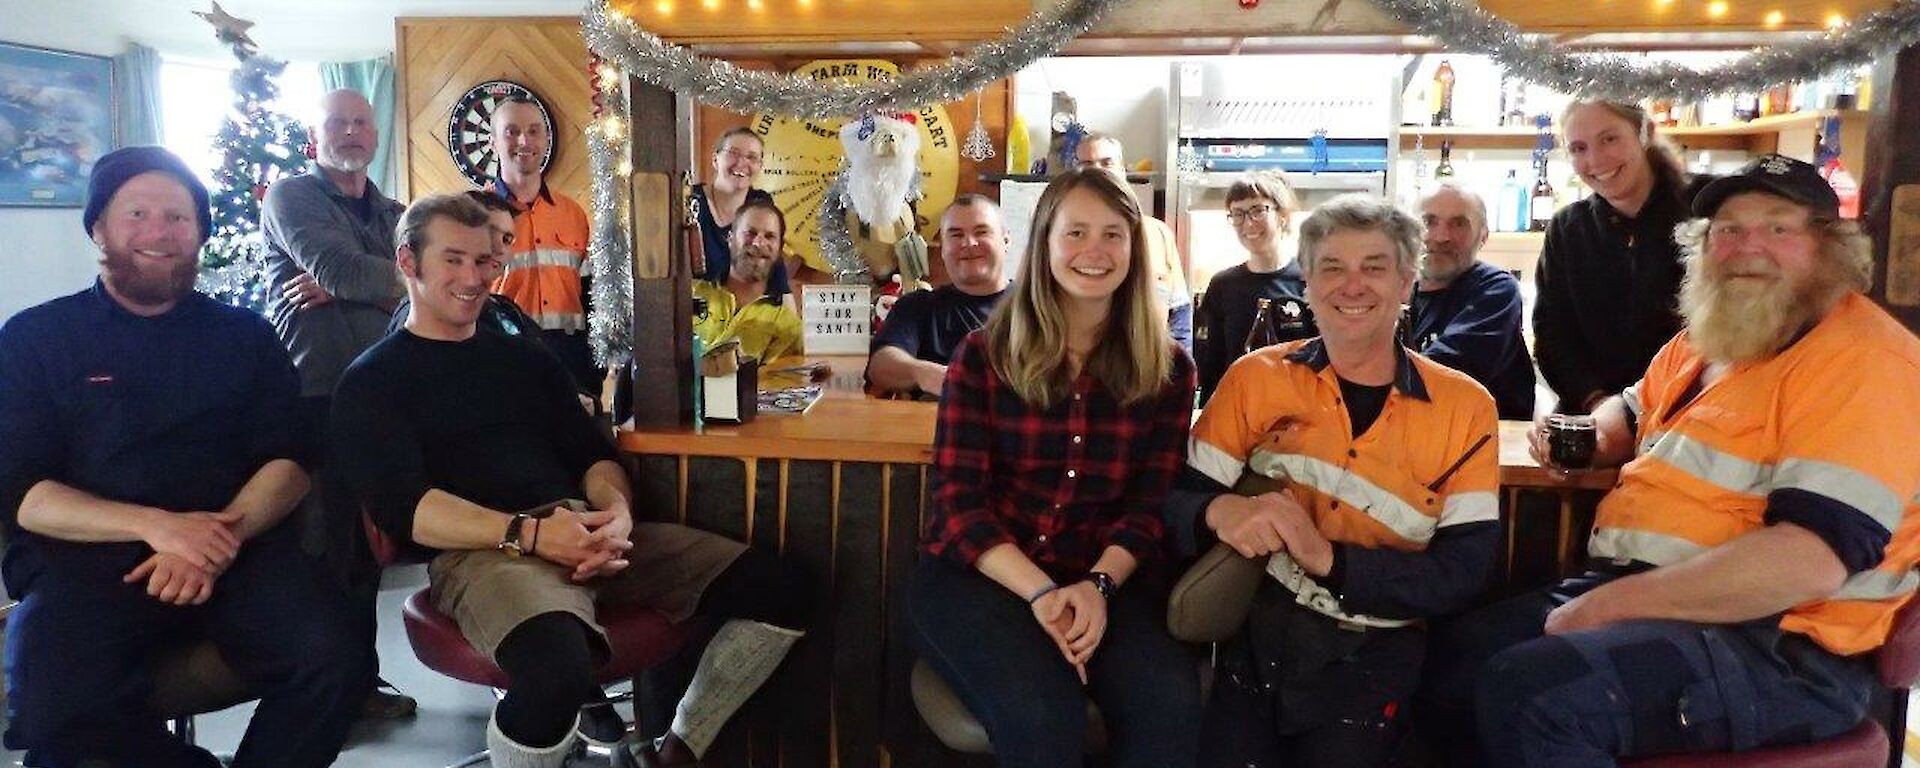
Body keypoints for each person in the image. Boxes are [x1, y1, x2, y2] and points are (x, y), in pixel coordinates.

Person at [1418, 154, 1920, 768]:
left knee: (1536, 693)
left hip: (1786, 644)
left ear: (1830, 247)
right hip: (1661, 600)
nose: (1746, 247)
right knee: (1446, 659)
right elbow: (1628, 415)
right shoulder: (1709, 341)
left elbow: (1808, 562)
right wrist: (1583, 435)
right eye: (1727, 231)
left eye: (1777, 228)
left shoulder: (1864, 362)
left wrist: (1606, 606)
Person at [332, 194, 810, 768]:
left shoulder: (523, 360)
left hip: (587, 530)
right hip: (484, 553)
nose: (474, 277)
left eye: (485, 261)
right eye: (453, 260)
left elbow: (594, 454)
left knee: (782, 587)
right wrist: (531, 536)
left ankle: (680, 748)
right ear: (408, 262)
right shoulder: (372, 382)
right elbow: (405, 509)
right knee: (557, 670)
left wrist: (617, 515)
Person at [0, 146, 369, 768]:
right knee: (52, 707)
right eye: (137, 214)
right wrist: (159, 528)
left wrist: (217, 538)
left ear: (199, 231)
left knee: (337, 656)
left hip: (238, 549)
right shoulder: (37, 339)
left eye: (177, 218)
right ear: (99, 229)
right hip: (89, 562)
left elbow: (291, 461)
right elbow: (23, 494)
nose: (159, 234)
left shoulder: (245, 336)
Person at [1165, 194, 1501, 767]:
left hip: (1375, 652)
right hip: (1254, 637)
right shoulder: (1254, 380)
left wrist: (1329, 558)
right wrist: (1220, 513)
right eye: (1332, 268)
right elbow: (1176, 502)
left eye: (1374, 267)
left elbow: (1462, 574)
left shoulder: (1465, 408)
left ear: (1406, 283)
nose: (1353, 286)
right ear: (1307, 282)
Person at [909, 168, 1201, 767]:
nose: (1094, 252)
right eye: (1075, 233)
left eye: (1113, 235)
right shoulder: (984, 356)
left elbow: (1149, 507)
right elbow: (959, 505)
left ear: (1134, 248)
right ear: (1044, 243)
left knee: (1171, 711)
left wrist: (1096, 586)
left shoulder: (1170, 370)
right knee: (1045, 720)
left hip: (1107, 581)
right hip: (982, 579)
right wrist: (1042, 593)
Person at [258, 87, 416, 720]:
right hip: (314, 397)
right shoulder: (290, 196)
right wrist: (369, 281)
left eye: (361, 123)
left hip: (379, 396)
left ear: (375, 135)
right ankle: (319, 701)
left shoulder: (395, 210)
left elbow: (414, 301)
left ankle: (359, 689)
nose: (351, 133)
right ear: (315, 134)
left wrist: (364, 283)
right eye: (338, 123)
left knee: (366, 551)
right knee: (320, 551)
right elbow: (348, 271)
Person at [1533, 100, 1704, 413]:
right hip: (1595, 420)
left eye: (1609, 139)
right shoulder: (1568, 228)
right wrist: (1600, 405)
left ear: (1646, 133)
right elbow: (1552, 335)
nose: (1595, 159)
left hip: (1694, 416)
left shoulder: (1710, 206)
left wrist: (1637, 413)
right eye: (1578, 148)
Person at [487, 95, 603, 398]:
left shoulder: (573, 214)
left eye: (534, 130)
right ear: (493, 142)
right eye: (511, 131)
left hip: (572, 361)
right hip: (505, 358)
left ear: (546, 139)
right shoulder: (472, 213)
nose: (524, 140)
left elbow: (592, 293)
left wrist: (597, 363)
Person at [865, 194, 1012, 397]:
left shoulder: (1040, 304)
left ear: (1005, 241)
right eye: (956, 235)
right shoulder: (917, 306)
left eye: (981, 232)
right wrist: (925, 373)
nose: (969, 243)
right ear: (943, 250)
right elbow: (880, 366)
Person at [1411, 183, 1536, 419]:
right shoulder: (1396, 291)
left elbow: (1450, 371)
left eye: (1459, 224)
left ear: (1483, 237)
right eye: (1429, 222)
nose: (1441, 236)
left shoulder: (1496, 291)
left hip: (1481, 445)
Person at [1193, 172, 1314, 405]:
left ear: (1283, 216)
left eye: (1258, 210)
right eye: (1237, 214)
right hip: (1239, 414)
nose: (1248, 223)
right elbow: (1212, 365)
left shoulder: (1309, 280)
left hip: (1301, 415)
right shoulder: (1222, 285)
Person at [1074, 132, 1193, 352]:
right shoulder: (1062, 238)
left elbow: (1179, 315)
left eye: (1107, 163)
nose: (1098, 171)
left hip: (1148, 370)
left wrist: (1179, 373)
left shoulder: (1158, 234)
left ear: (1122, 170)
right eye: (1087, 164)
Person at [390, 190, 541, 340]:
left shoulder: (503, 309)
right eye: (490, 232)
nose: (498, 247)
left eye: (507, 239)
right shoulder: (419, 317)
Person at [693, 198, 805, 364]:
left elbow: (779, 385)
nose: (759, 243)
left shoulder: (788, 327)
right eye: (750, 233)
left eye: (770, 236)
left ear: (780, 249)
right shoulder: (690, 294)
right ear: (730, 240)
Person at [693, 127, 792, 298]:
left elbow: (777, 274)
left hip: (749, 311)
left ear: (760, 166)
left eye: (752, 157)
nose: (742, 163)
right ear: (715, 159)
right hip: (697, 312)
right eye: (733, 153)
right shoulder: (689, 200)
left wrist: (792, 322)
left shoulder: (761, 203)